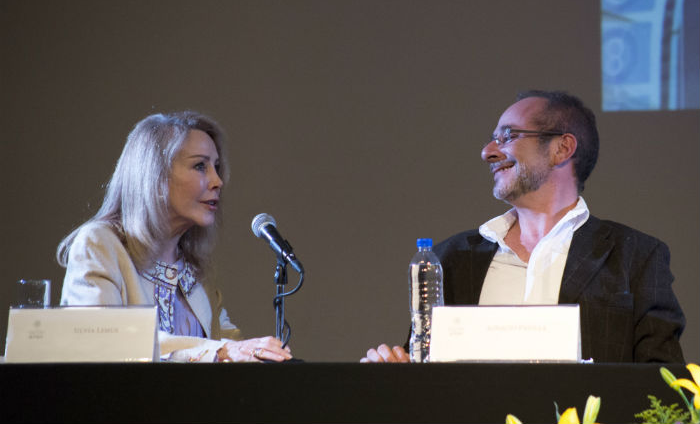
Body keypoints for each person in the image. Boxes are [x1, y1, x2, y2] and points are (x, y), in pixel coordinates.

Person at [363, 90, 685, 363]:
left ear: (562, 148)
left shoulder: (635, 258)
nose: (488, 152)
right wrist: (395, 371)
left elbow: (661, 390)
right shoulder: (451, 259)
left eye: (508, 136)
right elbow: (422, 374)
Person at [58, 111, 292, 363]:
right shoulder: (98, 244)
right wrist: (220, 351)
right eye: (200, 166)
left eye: (217, 167)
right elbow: (106, 342)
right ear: (155, 176)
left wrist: (259, 354)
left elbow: (230, 346)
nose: (217, 181)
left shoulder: (196, 271)